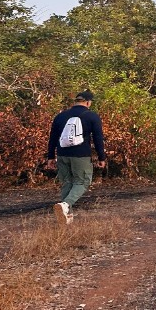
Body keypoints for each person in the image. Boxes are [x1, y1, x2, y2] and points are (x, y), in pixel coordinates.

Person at [45, 89, 106, 226]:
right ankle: (66, 204)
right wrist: (101, 157)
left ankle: (67, 218)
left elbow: (53, 138)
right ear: (88, 102)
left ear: (76, 101)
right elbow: (98, 139)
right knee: (82, 181)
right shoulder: (92, 116)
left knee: (67, 182)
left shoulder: (60, 116)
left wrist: (50, 156)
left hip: (62, 154)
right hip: (81, 155)